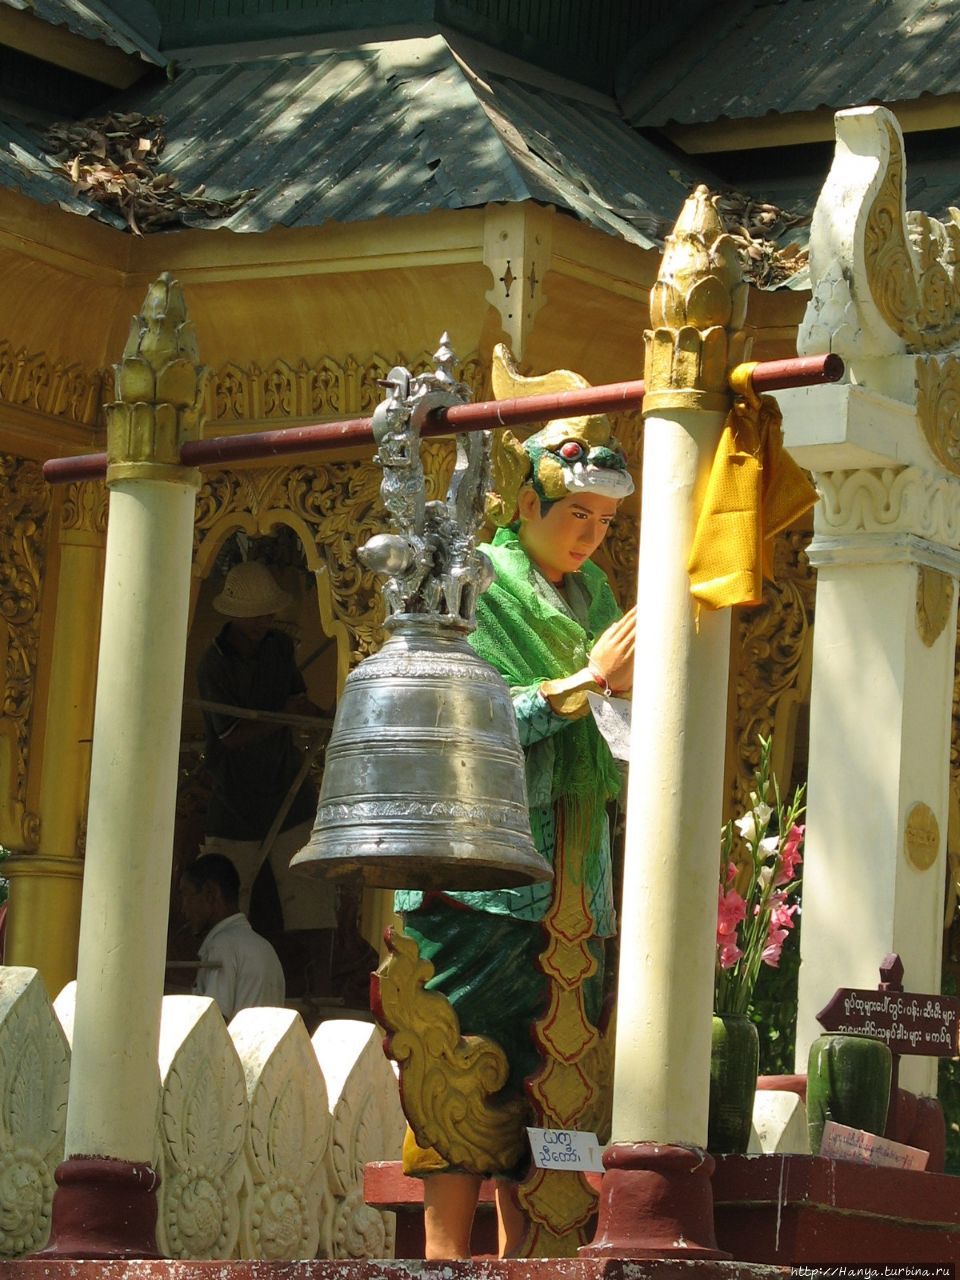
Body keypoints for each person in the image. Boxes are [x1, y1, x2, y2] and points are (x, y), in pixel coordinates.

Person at [392, 344, 636, 1258]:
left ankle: (539, 1253)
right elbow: (468, 723)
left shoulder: (599, 591)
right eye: (577, 513)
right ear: (526, 500)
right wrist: (584, 682)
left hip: (576, 874)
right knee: (463, 1068)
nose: (589, 537)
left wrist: (619, 691)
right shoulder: (478, 586)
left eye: (606, 521)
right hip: (485, 876)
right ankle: (449, 1259)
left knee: (559, 1074)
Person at [197, 559, 337, 990]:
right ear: (237, 616)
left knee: (311, 890)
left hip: (287, 789)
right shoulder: (212, 666)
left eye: (267, 612)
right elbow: (232, 737)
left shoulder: (278, 647)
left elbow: (298, 702)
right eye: (256, 614)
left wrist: (332, 721)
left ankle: (319, 984)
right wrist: (282, 717)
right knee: (220, 896)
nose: (264, 621)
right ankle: (212, 982)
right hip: (234, 799)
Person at [180, 853, 285, 1021]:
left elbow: (213, 1021)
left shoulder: (222, 944)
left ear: (210, 893)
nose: (183, 908)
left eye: (186, 895)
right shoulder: (264, 947)